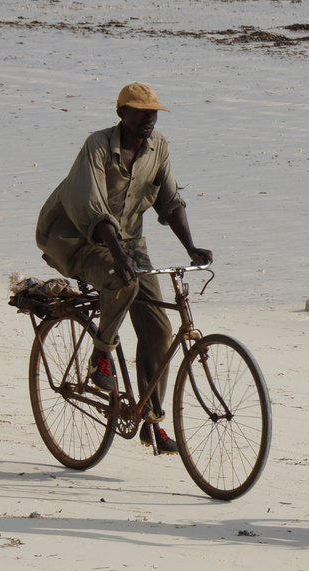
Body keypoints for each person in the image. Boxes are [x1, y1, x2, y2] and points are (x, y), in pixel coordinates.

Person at [34, 83, 213, 454]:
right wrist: (117, 257)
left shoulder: (158, 146)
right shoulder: (97, 146)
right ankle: (102, 352)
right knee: (123, 282)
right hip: (75, 238)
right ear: (122, 114)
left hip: (129, 242)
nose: (149, 119)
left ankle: (152, 421)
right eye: (141, 112)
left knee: (161, 331)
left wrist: (191, 247)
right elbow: (93, 207)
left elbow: (170, 200)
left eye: (154, 113)